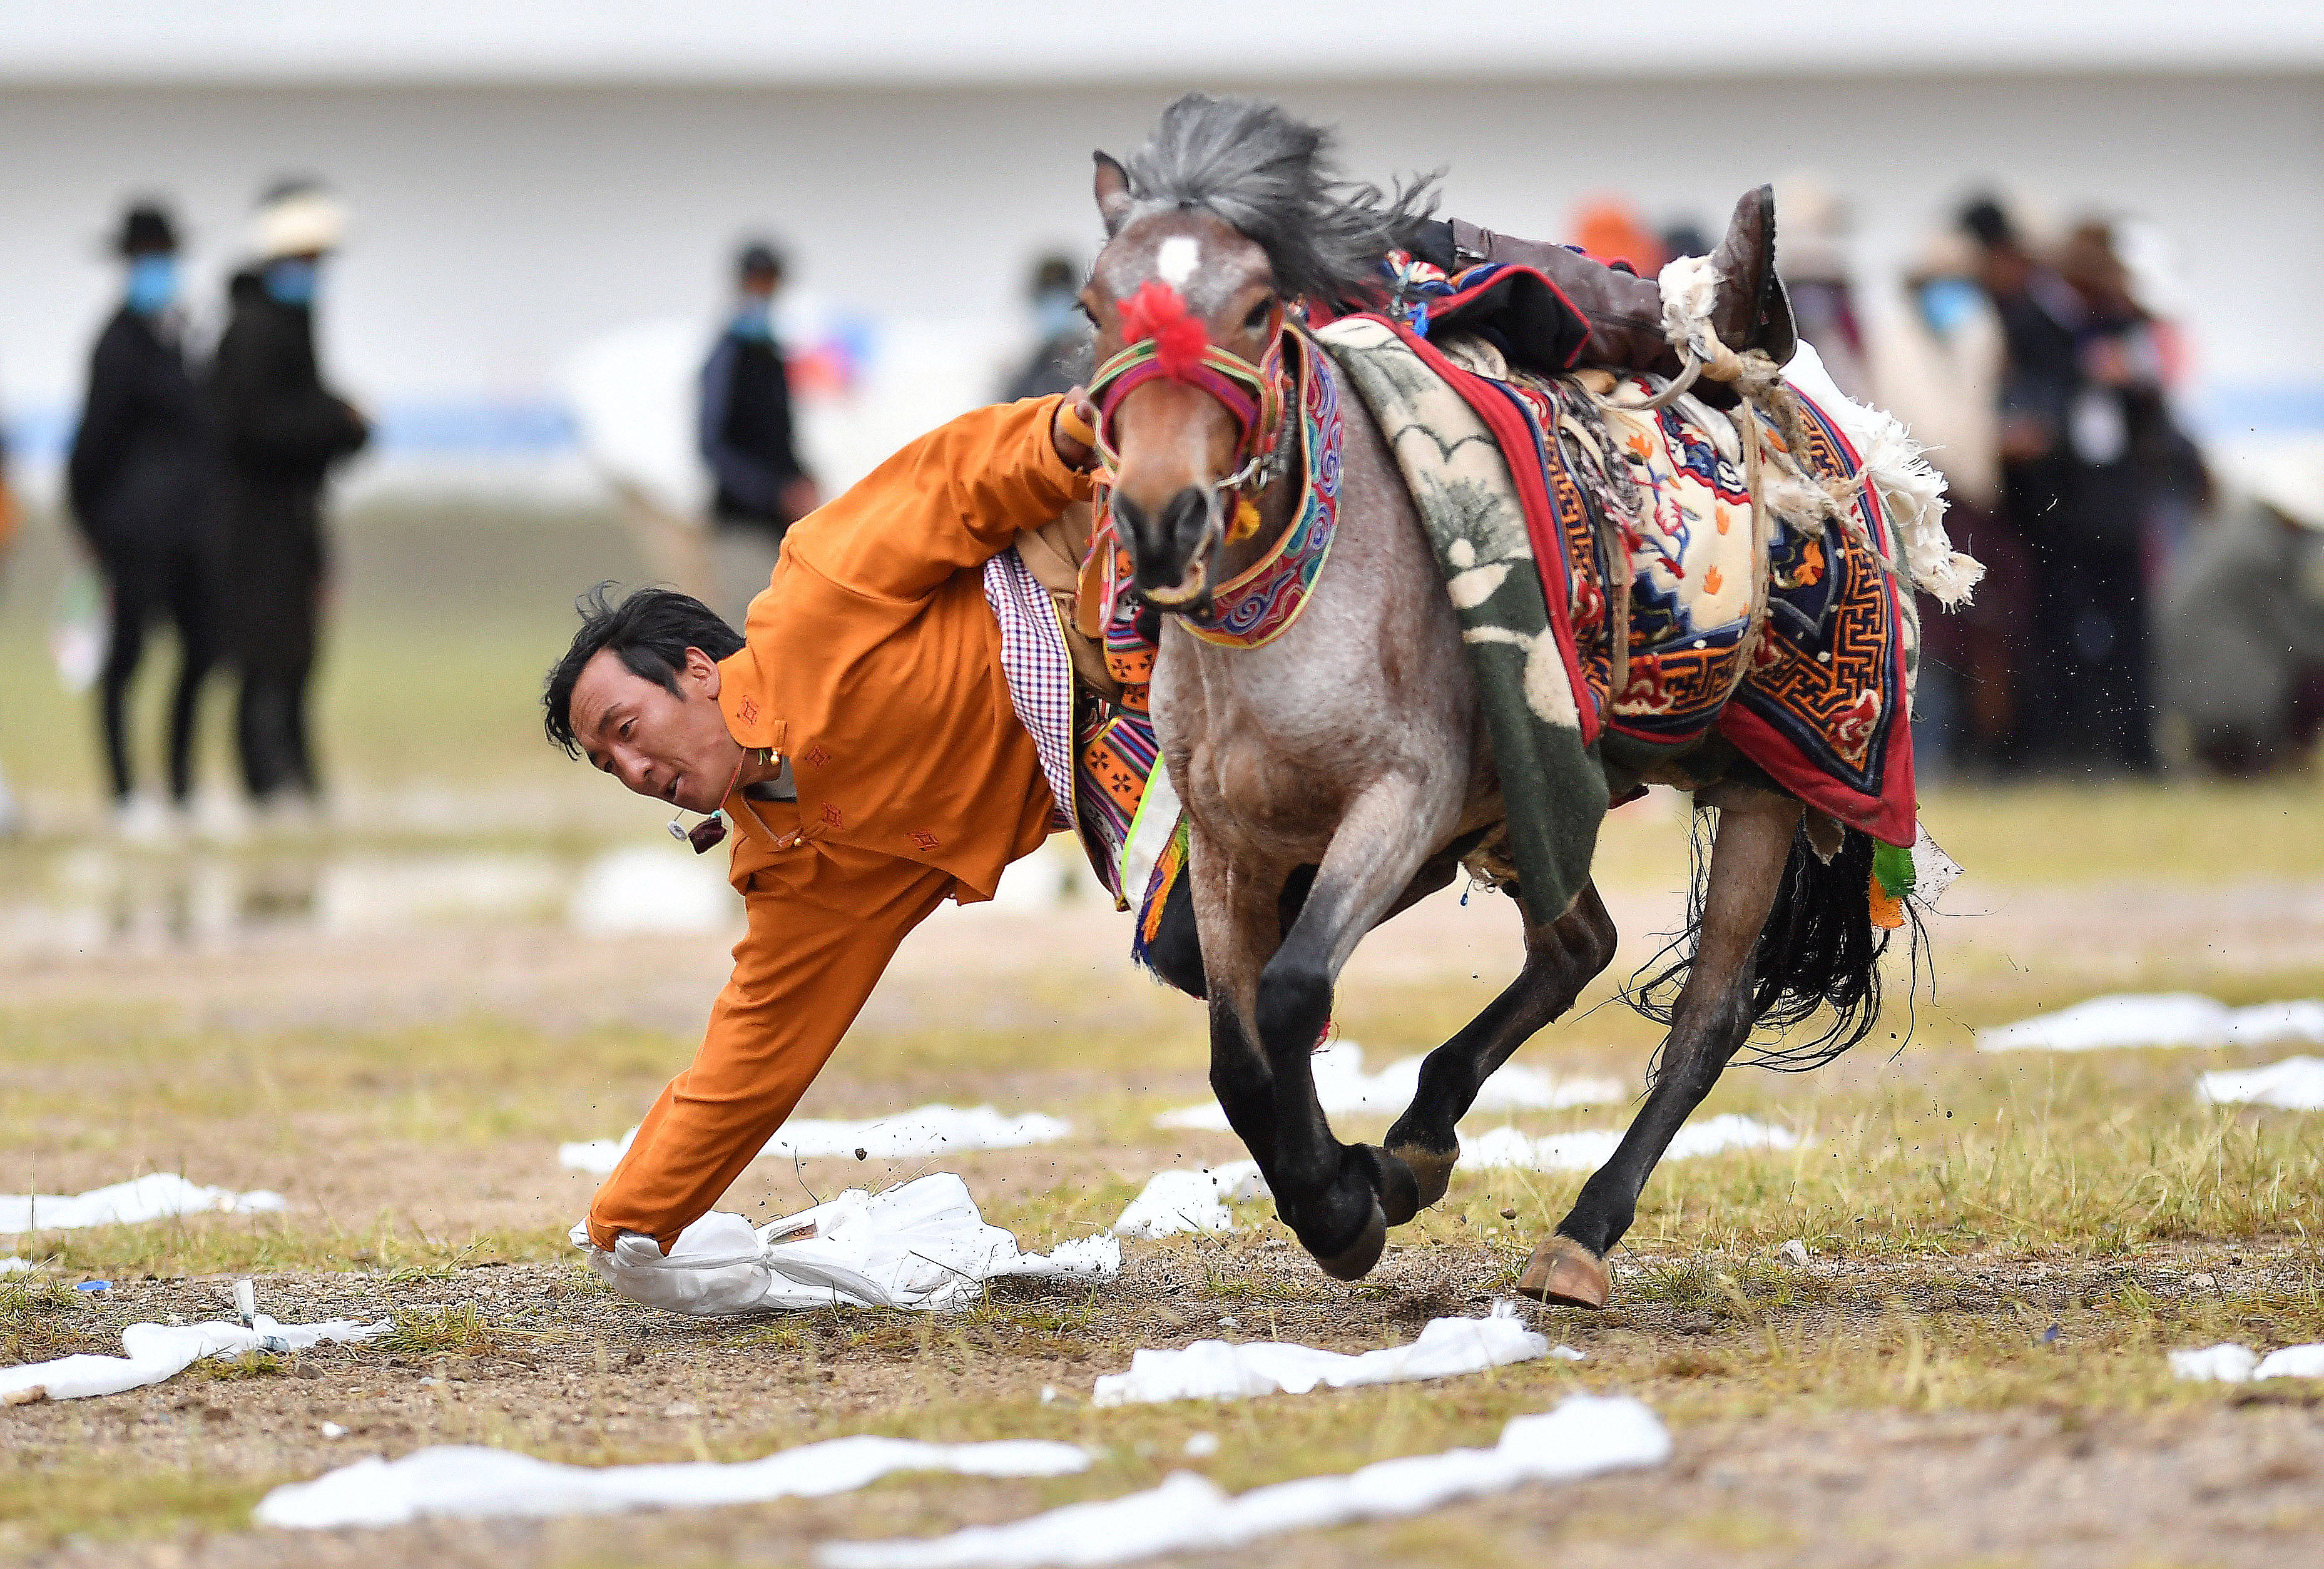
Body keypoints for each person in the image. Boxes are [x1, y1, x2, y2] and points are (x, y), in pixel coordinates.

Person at [541, 188, 1793, 1265]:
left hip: (1125, 574)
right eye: (611, 765)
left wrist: (1099, 428)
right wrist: (625, 1228)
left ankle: (1675, 319)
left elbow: (966, 475)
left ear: (698, 670)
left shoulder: (813, 590)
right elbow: (747, 1063)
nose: (636, 767)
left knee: (1374, 301)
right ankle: (1338, 1150)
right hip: (1106, 752)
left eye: (626, 724)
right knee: (1201, 951)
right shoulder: (798, 872)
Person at [209, 180, 369, 815]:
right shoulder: (252, 330)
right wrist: (338, 424)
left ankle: (299, 779)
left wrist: (340, 424)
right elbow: (253, 427)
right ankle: (269, 784)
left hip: (293, 520)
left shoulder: (292, 324)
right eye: (305, 261)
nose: (315, 274)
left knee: (298, 657)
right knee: (266, 658)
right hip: (254, 527)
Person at [66, 201, 222, 840]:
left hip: (190, 529)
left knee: (203, 651)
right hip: (133, 534)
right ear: (127, 264)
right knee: (125, 661)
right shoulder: (114, 345)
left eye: (165, 256)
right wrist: (93, 525)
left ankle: (183, 787)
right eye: (146, 258)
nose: (157, 268)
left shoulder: (178, 336)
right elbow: (90, 446)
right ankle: (125, 794)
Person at [1867, 229, 2032, 776]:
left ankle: (1969, 757)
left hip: (1974, 503)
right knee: (1925, 636)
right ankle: (1926, 763)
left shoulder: (1978, 332)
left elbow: (1977, 418)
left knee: (1978, 633)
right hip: (1915, 501)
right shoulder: (1894, 339)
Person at [2158, 446, 2324, 774]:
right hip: (2232, 700)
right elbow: (2305, 637)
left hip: (2187, 685)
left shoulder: (2232, 533)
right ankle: (2284, 760)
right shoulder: (2262, 553)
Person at [699, 239, 817, 629]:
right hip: (741, 525)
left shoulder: (770, 352)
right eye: (758, 281)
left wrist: (802, 480)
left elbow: (781, 438)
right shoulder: (728, 354)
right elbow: (713, 446)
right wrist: (774, 492)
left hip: (778, 528)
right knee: (744, 632)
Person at [999, 253, 1091, 402]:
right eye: (1048, 297)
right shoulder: (1024, 378)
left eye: (1061, 295)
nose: (1056, 306)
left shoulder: (1099, 364)